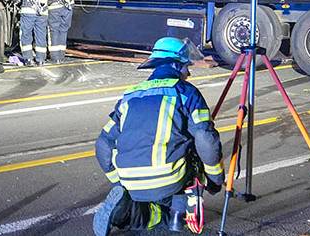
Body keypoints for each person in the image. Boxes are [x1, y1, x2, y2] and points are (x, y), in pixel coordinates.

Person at [93, 37, 224, 234]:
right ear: (174, 65)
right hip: (170, 177)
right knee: (194, 151)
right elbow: (206, 140)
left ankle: (126, 211)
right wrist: (215, 179)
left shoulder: (129, 96)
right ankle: (178, 217)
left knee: (153, 212)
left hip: (130, 180)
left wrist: (119, 181)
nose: (188, 72)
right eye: (185, 66)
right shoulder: (185, 92)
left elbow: (103, 144)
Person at [10, 0, 56, 66]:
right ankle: (40, 60)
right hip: (43, 13)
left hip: (28, 12)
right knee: (40, 35)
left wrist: (16, 1)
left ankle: (28, 59)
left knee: (26, 34)